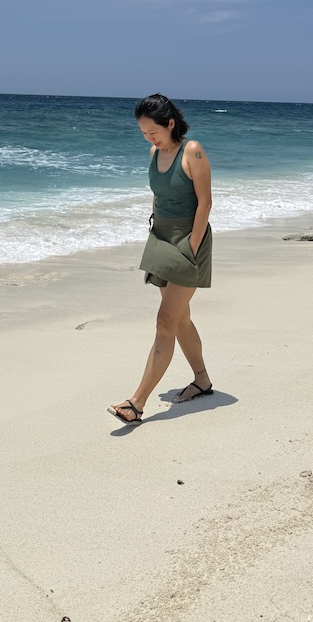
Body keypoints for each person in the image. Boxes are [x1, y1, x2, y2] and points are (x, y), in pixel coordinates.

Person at [108, 94, 213, 425]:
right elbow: (158, 194)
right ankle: (203, 381)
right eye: (143, 133)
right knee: (180, 319)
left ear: (170, 124)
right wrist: (155, 229)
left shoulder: (192, 151)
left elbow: (205, 203)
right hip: (161, 238)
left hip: (188, 241)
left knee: (165, 321)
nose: (148, 139)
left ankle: (137, 403)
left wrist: (193, 246)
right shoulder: (155, 153)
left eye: (152, 132)